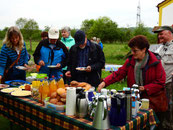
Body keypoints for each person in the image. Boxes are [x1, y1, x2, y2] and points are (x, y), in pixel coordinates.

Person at [98, 35, 167, 129]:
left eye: (135, 50)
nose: (132, 53)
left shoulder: (156, 62)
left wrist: (145, 88)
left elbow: (161, 81)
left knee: (151, 126)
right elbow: (119, 74)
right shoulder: (131, 61)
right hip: (134, 100)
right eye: (131, 50)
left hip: (153, 102)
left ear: (144, 49)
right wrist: (104, 82)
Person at [154, 25, 173, 129]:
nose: (159, 36)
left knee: (170, 106)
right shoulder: (160, 47)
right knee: (162, 105)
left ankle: (169, 126)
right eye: (159, 34)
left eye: (161, 34)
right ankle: (161, 125)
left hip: (170, 83)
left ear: (169, 33)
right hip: (160, 83)